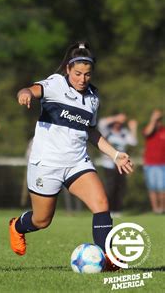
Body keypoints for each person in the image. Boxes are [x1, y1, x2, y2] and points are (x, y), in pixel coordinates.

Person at [10, 41, 133, 271]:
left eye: (87, 74)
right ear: (68, 69)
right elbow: (30, 90)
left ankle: (108, 259)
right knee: (42, 220)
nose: (82, 79)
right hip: (47, 163)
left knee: (101, 203)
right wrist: (25, 93)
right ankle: (17, 226)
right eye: (77, 73)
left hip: (77, 162)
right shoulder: (55, 84)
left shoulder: (93, 97)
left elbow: (91, 131)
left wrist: (115, 155)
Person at [98, 113, 138, 217]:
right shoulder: (107, 131)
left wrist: (133, 128)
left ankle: (117, 210)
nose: (118, 124)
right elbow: (101, 123)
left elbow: (133, 142)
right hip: (109, 164)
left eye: (120, 123)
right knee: (110, 188)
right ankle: (108, 210)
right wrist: (117, 117)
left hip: (122, 164)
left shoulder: (123, 133)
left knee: (120, 188)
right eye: (116, 122)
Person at [142, 109, 165, 214]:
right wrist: (153, 119)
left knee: (162, 188)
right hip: (150, 164)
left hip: (162, 164)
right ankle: (155, 210)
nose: (157, 122)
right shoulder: (148, 130)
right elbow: (147, 132)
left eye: (159, 120)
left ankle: (162, 209)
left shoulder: (163, 131)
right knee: (152, 188)